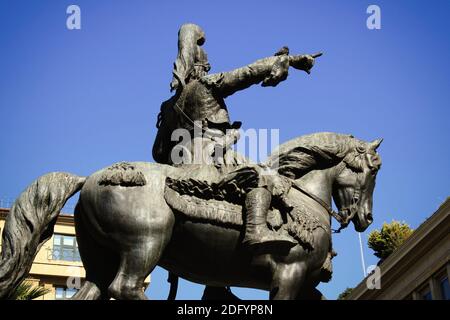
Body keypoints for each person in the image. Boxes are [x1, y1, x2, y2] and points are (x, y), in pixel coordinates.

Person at [152, 23, 319, 249]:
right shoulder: (207, 85)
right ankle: (256, 230)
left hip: (179, 164)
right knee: (264, 176)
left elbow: (158, 152)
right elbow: (248, 73)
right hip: (212, 156)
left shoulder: (168, 105)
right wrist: (292, 60)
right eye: (208, 66)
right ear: (202, 67)